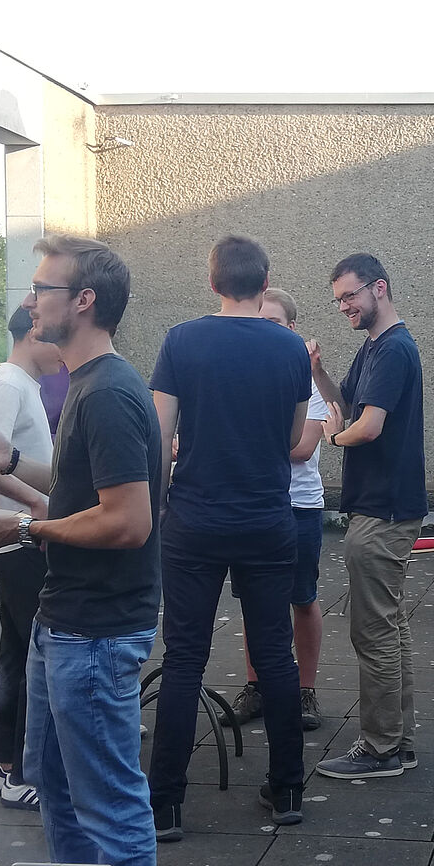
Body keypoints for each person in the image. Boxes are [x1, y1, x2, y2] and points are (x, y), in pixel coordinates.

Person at [0, 235, 162, 866]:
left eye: (43, 288)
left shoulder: (106, 393)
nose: (30, 300)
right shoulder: (88, 384)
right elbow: (77, 484)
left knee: (109, 803)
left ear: (85, 300)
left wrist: (27, 527)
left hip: (96, 633)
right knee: (54, 786)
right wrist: (6, 460)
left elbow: (128, 521)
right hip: (63, 623)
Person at [147, 238, 313, 834]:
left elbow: (159, 435)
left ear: (212, 281)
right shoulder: (291, 348)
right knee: (274, 653)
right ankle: (288, 791)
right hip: (268, 519)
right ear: (265, 281)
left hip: (194, 520)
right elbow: (294, 439)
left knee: (185, 656)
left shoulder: (181, 340)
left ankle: (165, 803)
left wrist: (156, 509)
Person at [310, 254, 427, 781]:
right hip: (382, 507)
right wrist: (318, 374)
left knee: (373, 632)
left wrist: (335, 437)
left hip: (381, 512)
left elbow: (368, 426)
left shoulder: (395, 349)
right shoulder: (376, 349)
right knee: (390, 626)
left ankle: (380, 750)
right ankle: (396, 741)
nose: (344, 307)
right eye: (338, 300)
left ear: (379, 288)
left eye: (350, 296)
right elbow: (350, 406)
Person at [0, 305, 63, 810]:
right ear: (32, 335)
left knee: (18, 653)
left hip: (21, 535)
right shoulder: (9, 385)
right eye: (54, 338)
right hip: (20, 540)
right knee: (31, 657)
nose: (62, 350)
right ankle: (21, 771)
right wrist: (35, 504)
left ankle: (8, 765)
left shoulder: (25, 384)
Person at [225, 286, 337, 733]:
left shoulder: (306, 382)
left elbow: (302, 445)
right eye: (258, 321)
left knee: (301, 598)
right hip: (250, 502)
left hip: (297, 507)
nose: (263, 331)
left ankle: (304, 690)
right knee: (251, 599)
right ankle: (257, 685)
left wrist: (238, 437)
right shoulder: (241, 375)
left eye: (273, 324)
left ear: (292, 330)